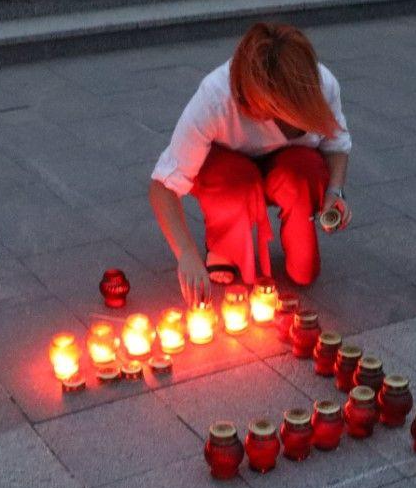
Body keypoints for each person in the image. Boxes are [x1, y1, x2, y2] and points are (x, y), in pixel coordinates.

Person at [149, 22, 352, 305]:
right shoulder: (215, 97)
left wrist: (335, 192)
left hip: (286, 169)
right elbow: (163, 187)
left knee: (306, 173)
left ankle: (297, 232)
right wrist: (186, 254)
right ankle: (224, 244)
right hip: (227, 172)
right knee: (236, 179)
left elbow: (337, 146)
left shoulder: (321, 85)